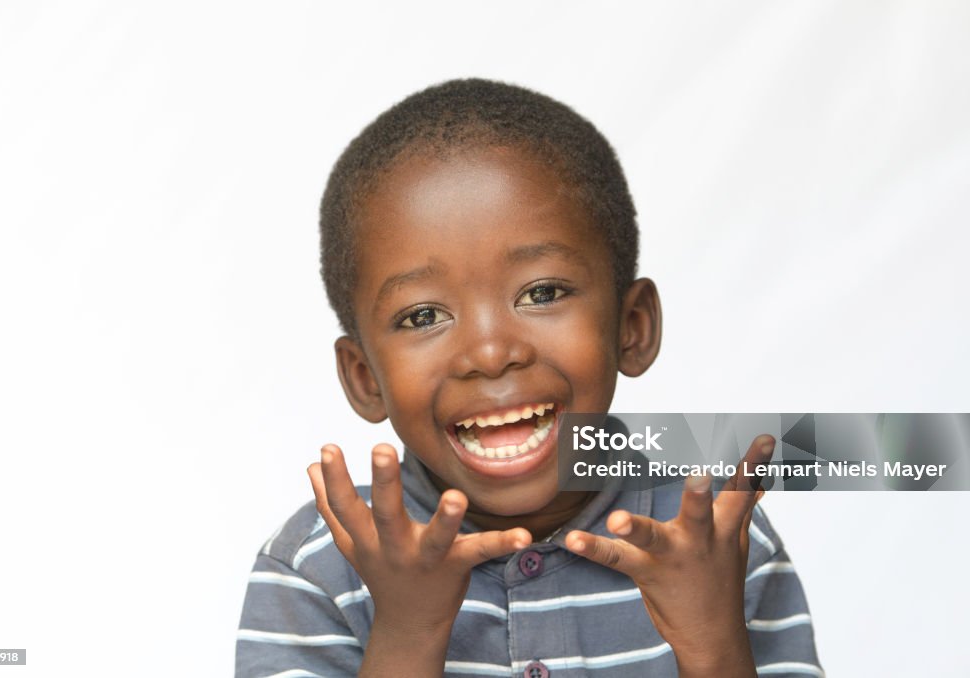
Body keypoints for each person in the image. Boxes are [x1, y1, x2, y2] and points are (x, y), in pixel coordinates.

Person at [236, 79, 821, 677]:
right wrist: (408, 631)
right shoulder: (318, 567)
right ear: (365, 377)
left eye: (541, 293)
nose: (490, 353)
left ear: (633, 326)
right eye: (423, 316)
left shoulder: (716, 536)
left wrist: (711, 639)